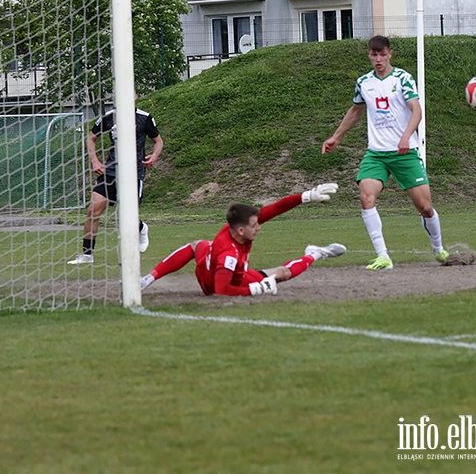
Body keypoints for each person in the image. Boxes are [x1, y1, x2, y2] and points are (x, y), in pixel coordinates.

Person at [322, 35, 448, 270]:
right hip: (377, 154)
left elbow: (416, 111)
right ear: (369, 55)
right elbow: (356, 110)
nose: (378, 59)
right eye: (374, 54)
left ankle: (438, 249)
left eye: (382, 54)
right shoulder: (364, 82)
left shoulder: (402, 78)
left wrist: (405, 136)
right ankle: (383, 256)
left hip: (405, 153)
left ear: (390, 54)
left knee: (425, 207)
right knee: (366, 197)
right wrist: (336, 137)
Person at [140, 184, 346, 296]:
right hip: (224, 281)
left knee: (198, 245)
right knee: (282, 273)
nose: (259, 227)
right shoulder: (229, 254)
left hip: (208, 267)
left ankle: (147, 279)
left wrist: (306, 196)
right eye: (255, 225)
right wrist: (255, 289)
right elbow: (221, 290)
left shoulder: (233, 228)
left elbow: (274, 209)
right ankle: (315, 254)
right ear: (240, 230)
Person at [68, 97, 163, 264]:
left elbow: (158, 141)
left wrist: (154, 156)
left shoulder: (144, 118)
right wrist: (95, 161)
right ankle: (87, 255)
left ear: (135, 96)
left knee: (128, 216)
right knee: (92, 212)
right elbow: (91, 138)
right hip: (111, 172)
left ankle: (141, 228)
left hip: (133, 174)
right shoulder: (109, 116)